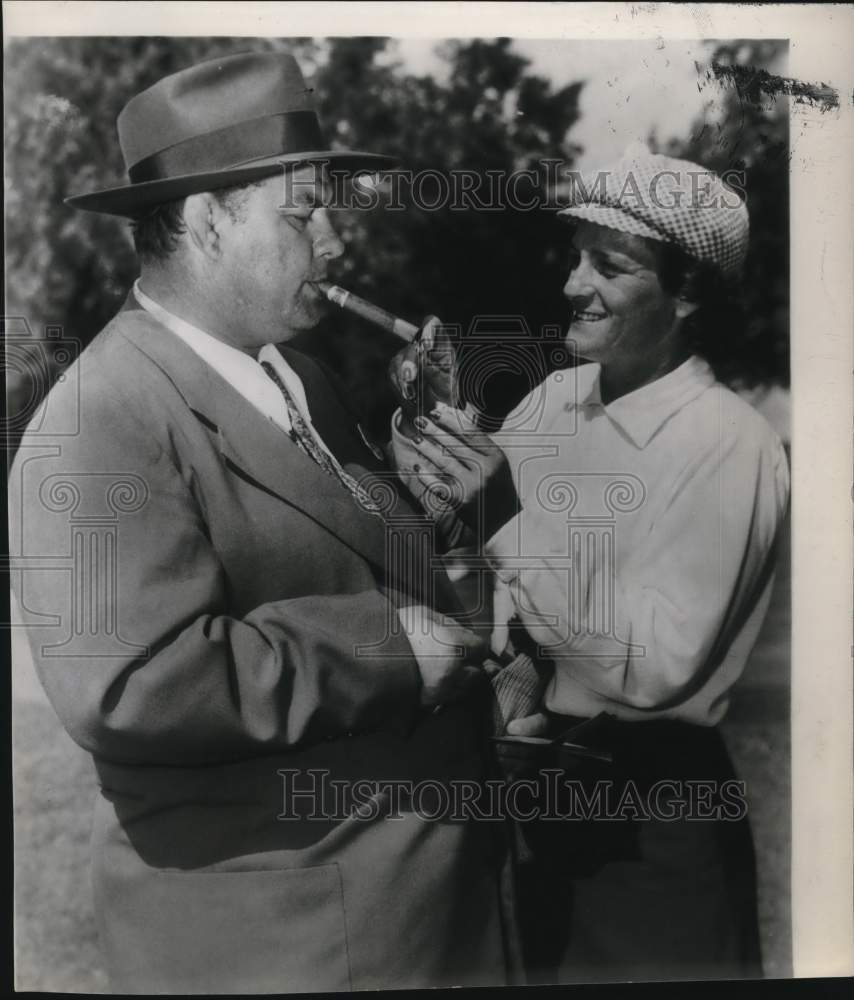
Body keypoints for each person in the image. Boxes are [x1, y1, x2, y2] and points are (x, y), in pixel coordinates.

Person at [8, 52, 513, 993]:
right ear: (208, 221)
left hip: (415, 917)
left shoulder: (298, 377)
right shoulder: (100, 420)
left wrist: (433, 502)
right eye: (303, 209)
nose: (333, 241)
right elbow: (133, 685)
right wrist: (388, 650)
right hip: (287, 949)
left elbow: (340, 559)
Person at [393, 147, 790, 983]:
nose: (573, 284)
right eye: (577, 257)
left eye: (609, 266)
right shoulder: (559, 396)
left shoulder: (730, 444)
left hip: (654, 823)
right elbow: (473, 542)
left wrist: (503, 515)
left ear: (686, 296)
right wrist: (431, 432)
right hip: (539, 797)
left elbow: (654, 668)